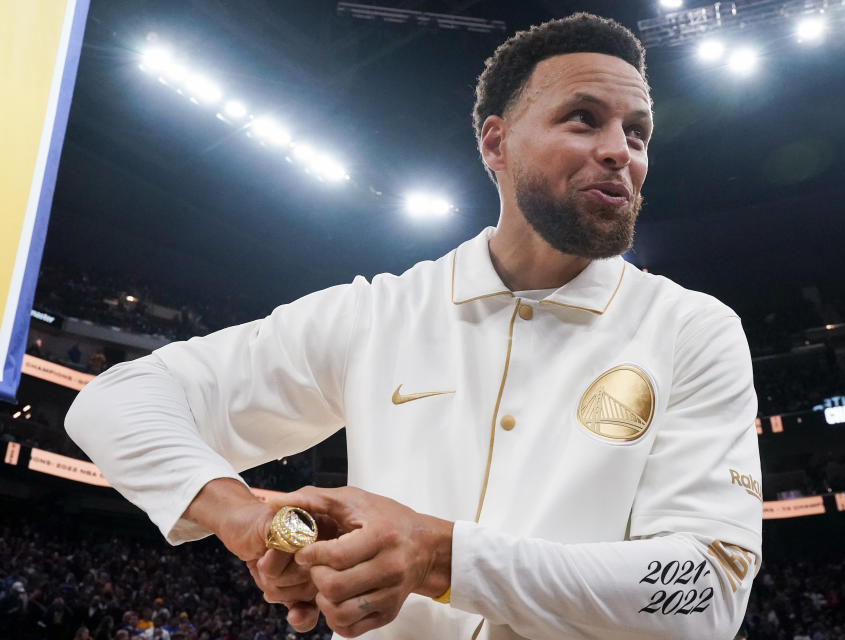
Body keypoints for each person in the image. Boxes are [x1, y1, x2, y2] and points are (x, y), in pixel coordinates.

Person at [66, 12, 761, 640]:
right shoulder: (379, 312)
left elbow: (707, 596)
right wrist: (247, 518)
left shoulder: (692, 329)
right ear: (496, 142)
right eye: (584, 119)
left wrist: (436, 555)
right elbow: (116, 402)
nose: (622, 151)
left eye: (636, 132)